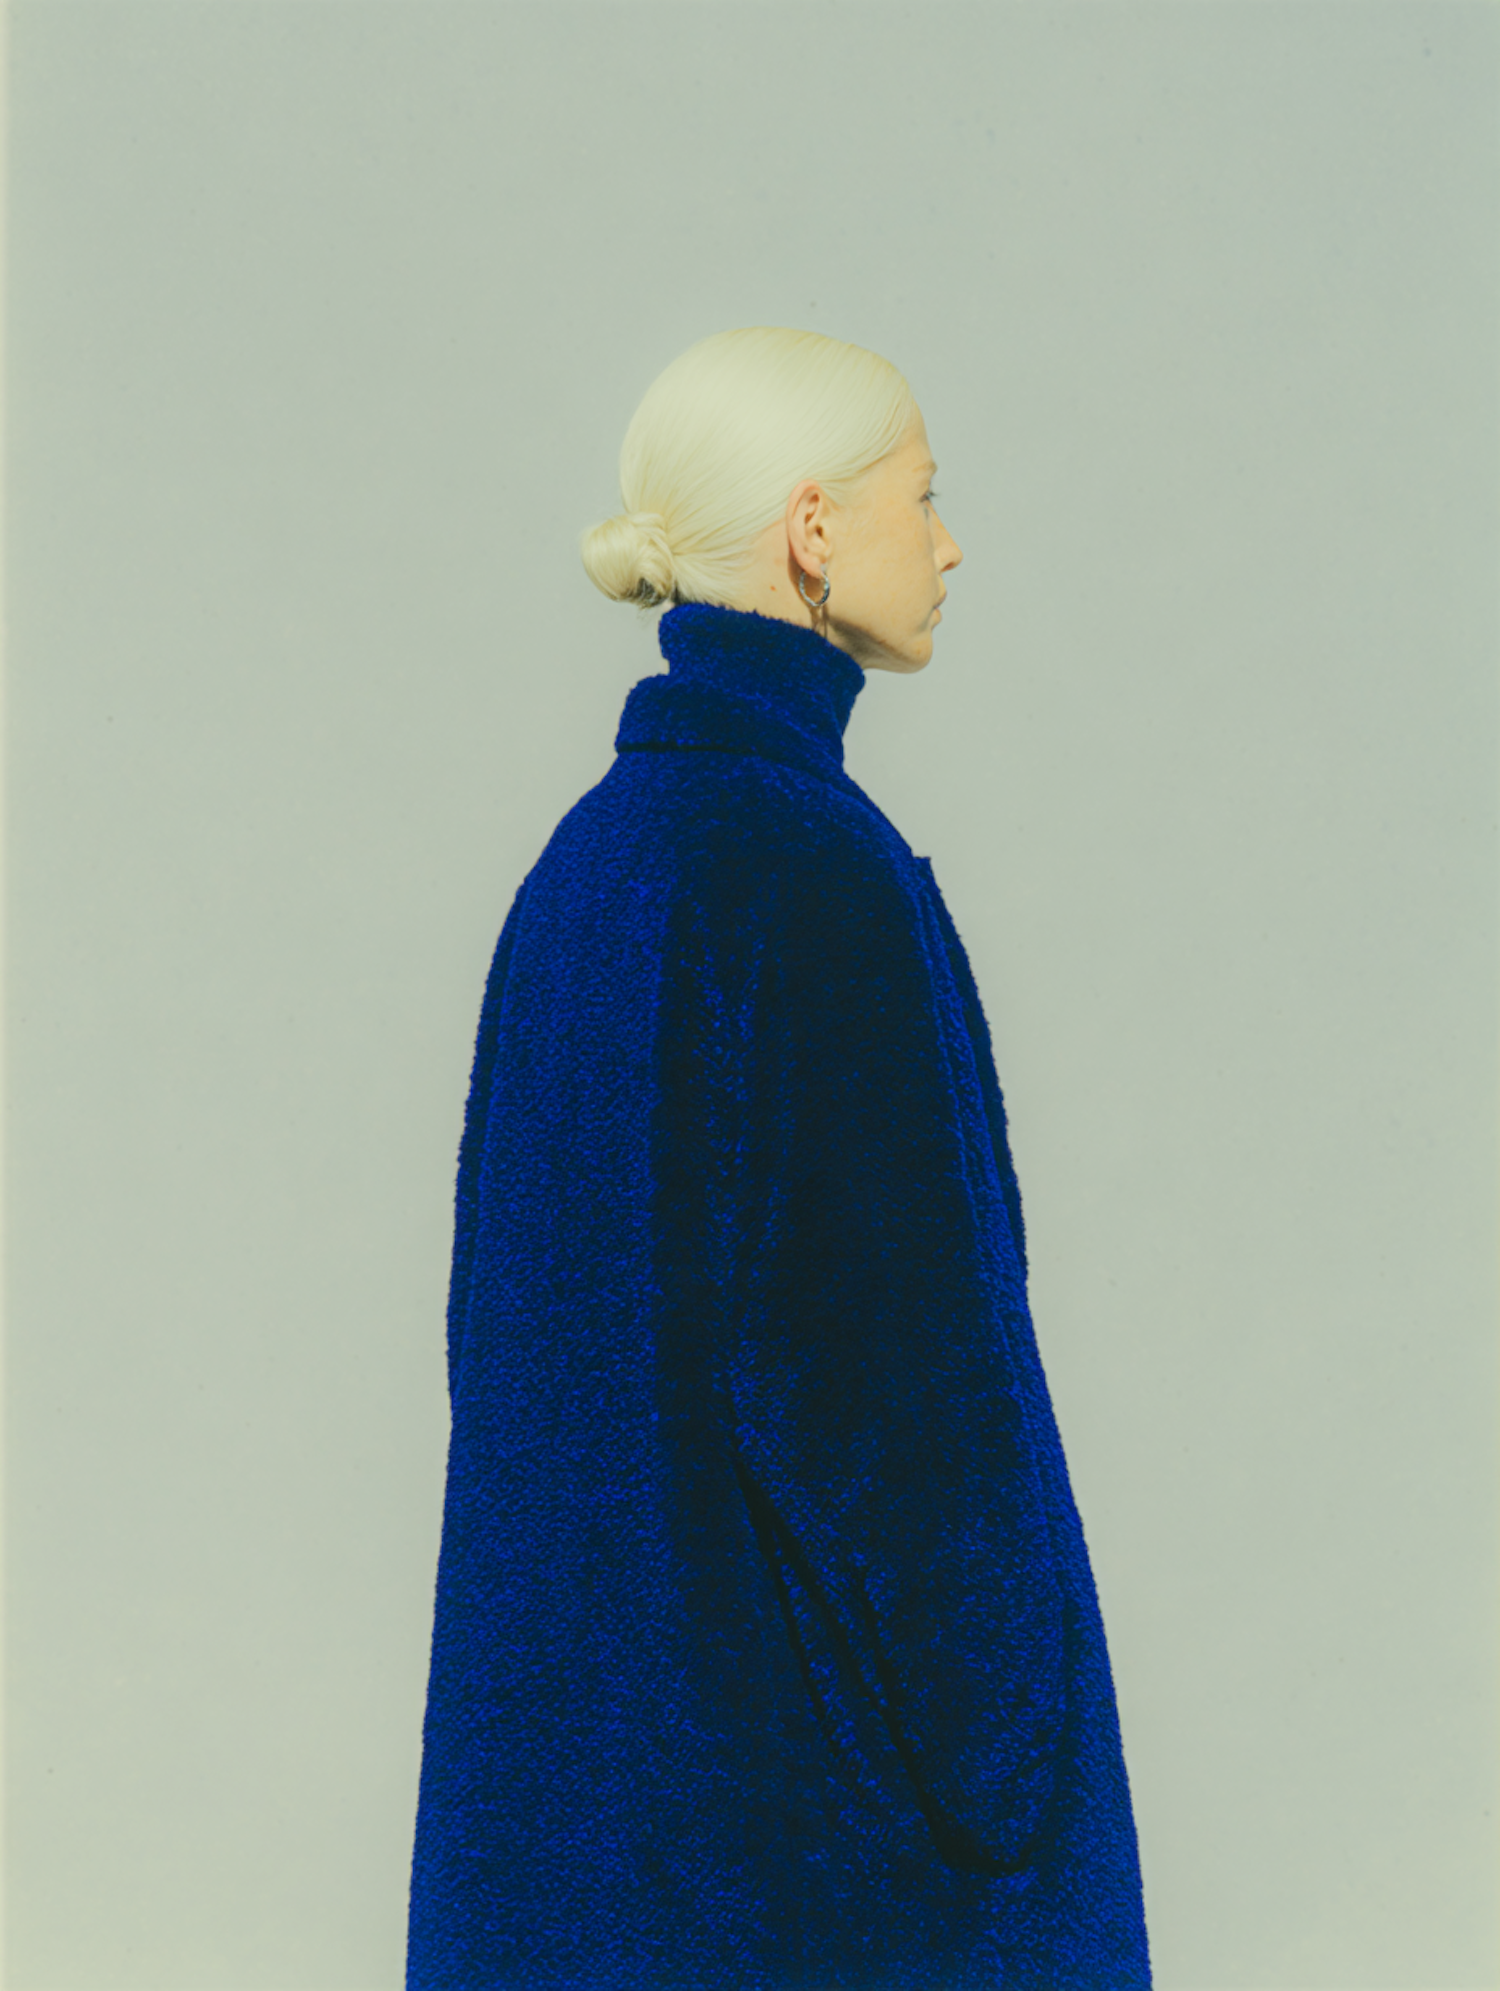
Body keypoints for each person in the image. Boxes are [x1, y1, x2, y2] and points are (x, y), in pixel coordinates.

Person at [406, 327, 1151, 1989]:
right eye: (923, 497)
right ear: (813, 529)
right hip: (795, 1834)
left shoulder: (585, 867)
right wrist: (1011, 1760)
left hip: (586, 1804)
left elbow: (493, 1345)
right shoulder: (813, 875)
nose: (949, 544)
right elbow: (898, 1394)